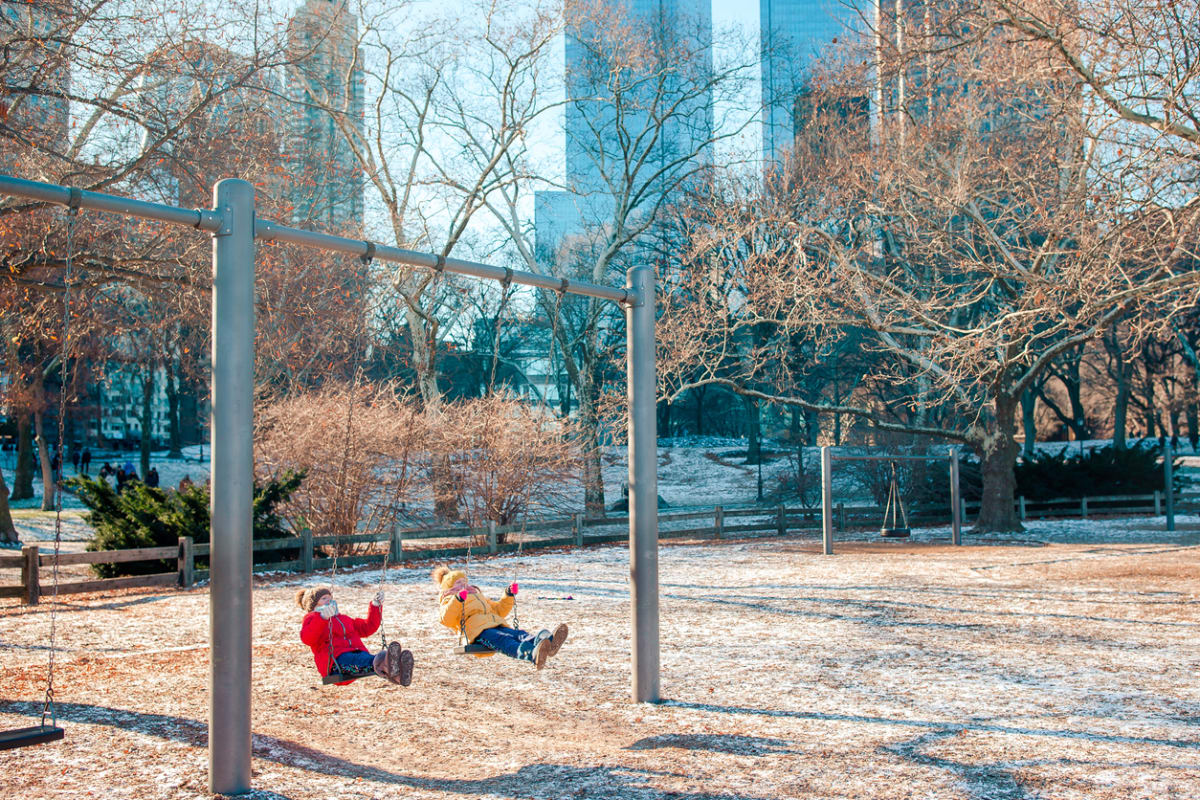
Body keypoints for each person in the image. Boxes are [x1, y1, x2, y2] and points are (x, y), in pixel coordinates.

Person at [432, 565, 568, 670]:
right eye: (458, 583)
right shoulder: (449, 599)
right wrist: (457, 599)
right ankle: (532, 654)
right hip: (477, 633)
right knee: (504, 640)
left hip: (496, 624)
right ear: (449, 588)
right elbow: (446, 619)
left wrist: (508, 595)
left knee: (519, 634)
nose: (463, 585)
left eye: (464, 582)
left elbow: (498, 610)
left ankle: (546, 644)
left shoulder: (478, 596)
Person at [296, 586, 414, 686]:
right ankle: (388, 662)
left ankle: (398, 673)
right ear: (313, 605)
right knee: (371, 660)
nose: (329, 601)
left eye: (330, 598)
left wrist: (375, 605)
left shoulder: (344, 619)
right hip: (337, 665)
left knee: (369, 661)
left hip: (357, 658)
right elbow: (308, 638)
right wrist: (322, 618)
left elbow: (368, 627)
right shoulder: (312, 619)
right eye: (324, 598)